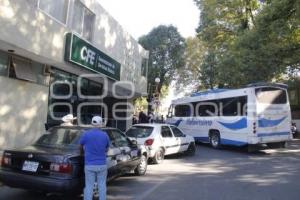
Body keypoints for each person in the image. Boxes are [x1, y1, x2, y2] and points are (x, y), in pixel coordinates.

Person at [79, 116, 110, 200]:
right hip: (102, 164)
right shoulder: (105, 135)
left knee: (89, 186)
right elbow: (107, 148)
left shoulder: (86, 134)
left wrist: (82, 153)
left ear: (92, 124)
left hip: (89, 165)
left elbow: (80, 145)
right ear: (101, 124)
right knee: (102, 186)